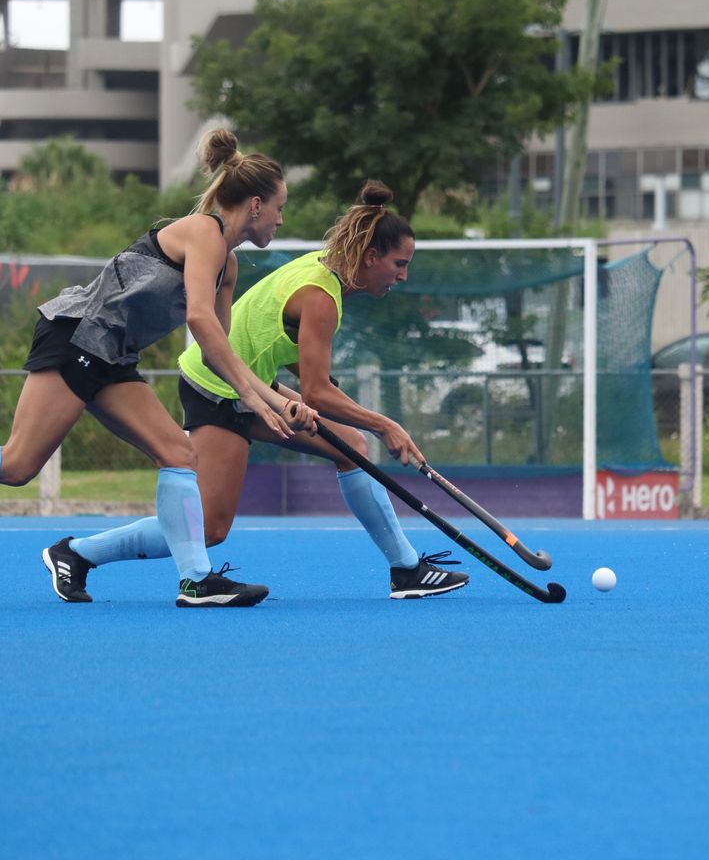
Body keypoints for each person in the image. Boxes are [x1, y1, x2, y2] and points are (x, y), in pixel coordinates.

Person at [0, 128, 317, 609]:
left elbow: (218, 353)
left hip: (112, 356)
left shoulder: (226, 266)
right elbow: (198, 319)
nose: (279, 219)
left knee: (178, 454)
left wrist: (279, 399)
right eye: (280, 207)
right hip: (77, 337)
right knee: (16, 465)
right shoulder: (205, 233)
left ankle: (195, 581)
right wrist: (255, 400)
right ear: (255, 205)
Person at [49, 180, 468, 602]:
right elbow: (318, 394)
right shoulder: (321, 297)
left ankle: (406, 568)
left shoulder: (322, 269)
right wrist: (386, 425)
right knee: (210, 527)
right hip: (216, 385)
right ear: (371, 256)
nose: (403, 275)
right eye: (399, 263)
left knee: (348, 446)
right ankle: (79, 553)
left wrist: (301, 392)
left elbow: (279, 342)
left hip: (254, 384)